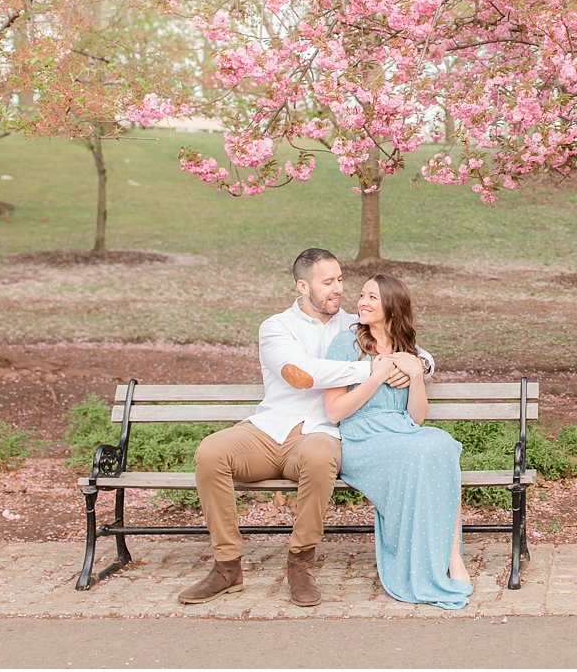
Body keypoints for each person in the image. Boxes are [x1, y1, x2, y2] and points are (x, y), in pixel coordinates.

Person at [178, 248, 434, 607]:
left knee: (319, 456)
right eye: (328, 282)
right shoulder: (277, 327)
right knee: (211, 452)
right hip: (269, 428)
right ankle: (226, 567)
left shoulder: (353, 323)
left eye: (341, 280)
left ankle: (300, 564)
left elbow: (411, 347)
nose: (339, 289)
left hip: (321, 430)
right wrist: (373, 370)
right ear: (302, 286)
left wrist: (419, 365)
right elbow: (301, 374)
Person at [324, 274, 473, 609]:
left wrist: (417, 374)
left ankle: (452, 556)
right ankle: (421, 564)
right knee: (421, 449)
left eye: (372, 298)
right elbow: (335, 411)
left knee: (442, 444)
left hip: (402, 432)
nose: (361, 302)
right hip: (361, 437)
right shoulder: (345, 346)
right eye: (362, 295)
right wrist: (375, 377)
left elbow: (416, 418)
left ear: (392, 307)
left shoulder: (411, 352)